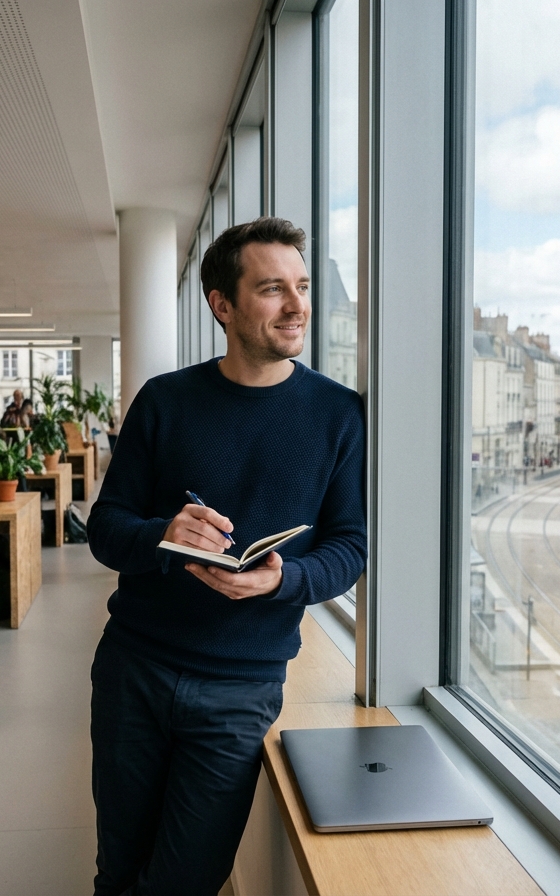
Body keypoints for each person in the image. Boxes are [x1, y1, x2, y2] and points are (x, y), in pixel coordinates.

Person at [86, 217, 366, 895]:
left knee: (187, 881)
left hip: (241, 690)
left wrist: (282, 581)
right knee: (118, 869)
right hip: (135, 670)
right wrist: (165, 534)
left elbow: (350, 549)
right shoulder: (165, 401)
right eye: (273, 289)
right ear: (223, 304)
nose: (298, 305)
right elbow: (104, 529)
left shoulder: (340, 414)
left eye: (301, 286)